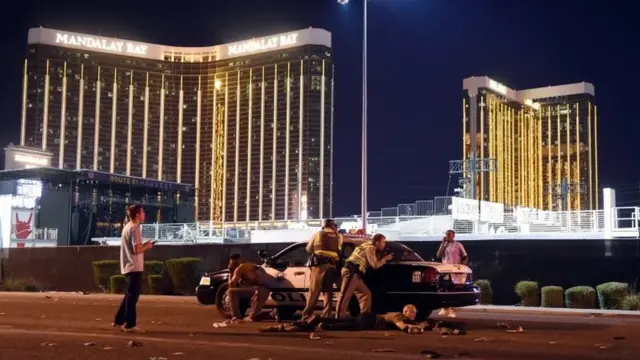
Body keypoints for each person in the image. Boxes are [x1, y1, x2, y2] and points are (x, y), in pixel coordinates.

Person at [113, 204, 154, 333]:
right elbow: (137, 250)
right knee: (133, 296)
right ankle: (130, 324)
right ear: (137, 214)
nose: (144, 215)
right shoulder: (135, 229)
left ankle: (119, 320)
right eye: (142, 212)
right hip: (134, 266)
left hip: (128, 265)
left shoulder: (127, 227)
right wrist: (147, 246)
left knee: (129, 295)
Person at [335, 233, 393, 319]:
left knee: (366, 293)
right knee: (345, 294)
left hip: (356, 273)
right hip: (351, 271)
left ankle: (365, 316)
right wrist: (385, 259)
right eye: (383, 242)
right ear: (377, 242)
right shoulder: (370, 248)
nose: (384, 244)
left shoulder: (366, 244)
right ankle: (339, 316)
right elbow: (375, 265)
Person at [300, 218, 343, 323]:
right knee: (328, 291)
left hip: (319, 265)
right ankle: (327, 315)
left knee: (314, 291)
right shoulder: (339, 236)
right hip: (332, 266)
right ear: (333, 225)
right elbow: (339, 249)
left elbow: (308, 249)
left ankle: (306, 316)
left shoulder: (318, 234)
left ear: (323, 225)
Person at [226, 254, 277, 322]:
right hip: (266, 290)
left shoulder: (239, 268)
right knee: (253, 317)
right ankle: (272, 313)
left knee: (230, 291)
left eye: (230, 263)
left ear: (233, 262)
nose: (230, 265)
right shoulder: (251, 265)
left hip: (259, 291)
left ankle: (236, 317)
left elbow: (232, 284)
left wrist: (230, 273)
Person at [318, 304, 429, 333]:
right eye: (412, 312)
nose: (414, 314)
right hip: (370, 320)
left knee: (346, 321)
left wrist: (419, 324)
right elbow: (402, 326)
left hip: (369, 317)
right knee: (353, 326)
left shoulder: (404, 317)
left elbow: (409, 323)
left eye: (415, 312)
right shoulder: (398, 316)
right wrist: (417, 328)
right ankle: (327, 326)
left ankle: (320, 320)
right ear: (405, 312)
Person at [436, 230, 468, 317]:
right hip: (445, 270)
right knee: (444, 288)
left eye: (449, 234)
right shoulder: (444, 245)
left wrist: (462, 267)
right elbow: (438, 255)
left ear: (453, 236)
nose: (447, 236)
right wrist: (443, 244)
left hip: (455, 270)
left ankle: (453, 310)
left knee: (454, 290)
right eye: (446, 234)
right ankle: (445, 308)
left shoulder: (458, 245)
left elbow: (465, 256)